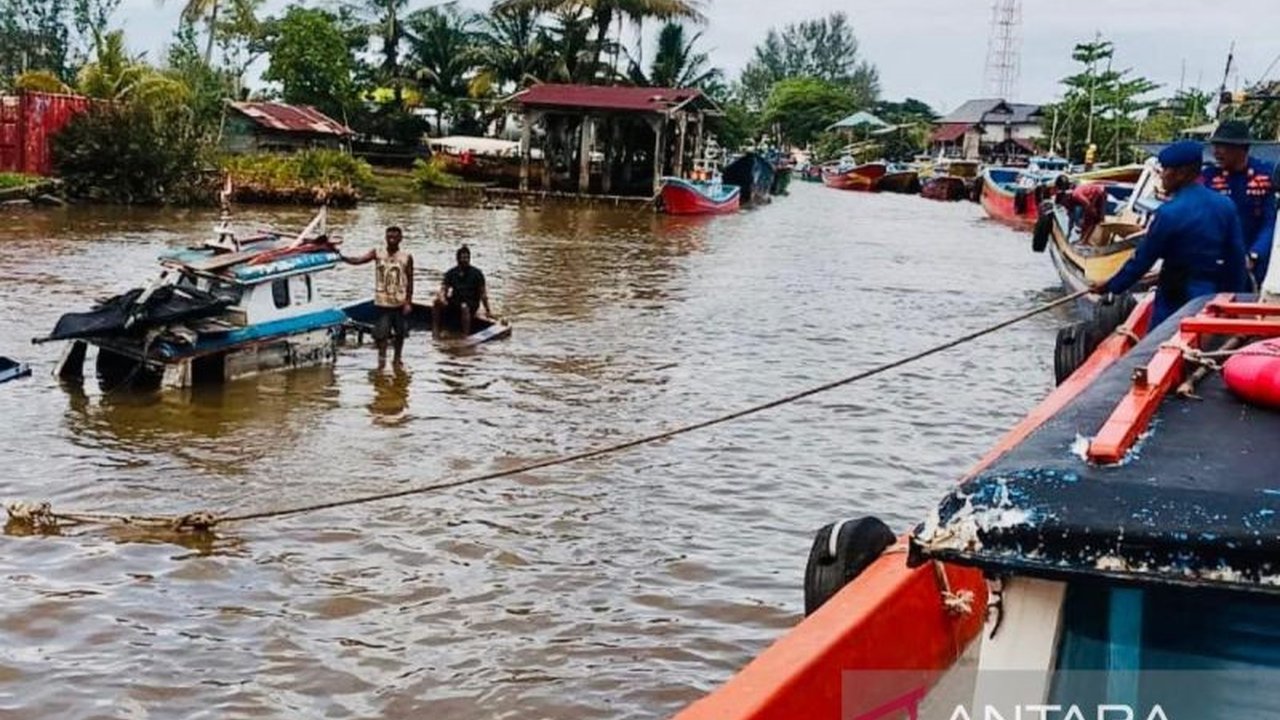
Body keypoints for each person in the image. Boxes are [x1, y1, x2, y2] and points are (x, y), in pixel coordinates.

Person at [1089, 140, 1248, 328]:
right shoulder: (1226, 205)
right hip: (1212, 296)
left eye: (1165, 170)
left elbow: (1142, 260)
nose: (1162, 176)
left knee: (1158, 343)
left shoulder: (1169, 213)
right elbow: (1237, 260)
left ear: (1180, 173)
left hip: (1175, 298)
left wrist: (1111, 286)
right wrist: (1235, 305)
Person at [1202, 120, 1277, 288]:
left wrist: (1255, 254)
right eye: (1215, 146)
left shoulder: (1265, 175)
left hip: (1254, 262)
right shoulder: (1209, 177)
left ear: (1241, 149)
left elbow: (1270, 222)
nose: (1216, 152)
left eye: (1223, 147)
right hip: (1217, 262)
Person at [343, 226, 414, 364]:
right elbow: (359, 260)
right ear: (386, 238)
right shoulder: (378, 253)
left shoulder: (406, 257)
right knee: (382, 334)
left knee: (400, 334)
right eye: (389, 236)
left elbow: (410, 281)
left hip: (399, 302)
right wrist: (342, 257)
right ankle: (381, 361)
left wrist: (408, 302)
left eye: (395, 236)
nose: (391, 238)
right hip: (383, 302)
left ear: (400, 239)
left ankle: (397, 359)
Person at [432, 244, 491, 338]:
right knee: (436, 302)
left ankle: (465, 335)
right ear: (458, 259)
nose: (465, 260)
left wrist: (488, 311)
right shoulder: (451, 273)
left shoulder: (477, 273)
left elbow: (483, 294)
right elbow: (444, 289)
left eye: (467, 258)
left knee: (464, 306)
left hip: (471, 302)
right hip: (456, 299)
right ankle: (435, 329)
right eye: (463, 258)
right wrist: (442, 298)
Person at [1054, 174, 1108, 243]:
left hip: (1099, 192)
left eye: (1063, 203)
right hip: (1092, 197)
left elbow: (1088, 205)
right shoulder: (1069, 202)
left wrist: (1096, 214)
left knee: (1094, 219)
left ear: (1065, 198)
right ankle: (1085, 240)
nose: (1064, 206)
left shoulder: (1075, 195)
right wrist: (1068, 235)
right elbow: (1071, 219)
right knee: (1088, 220)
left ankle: (1093, 240)